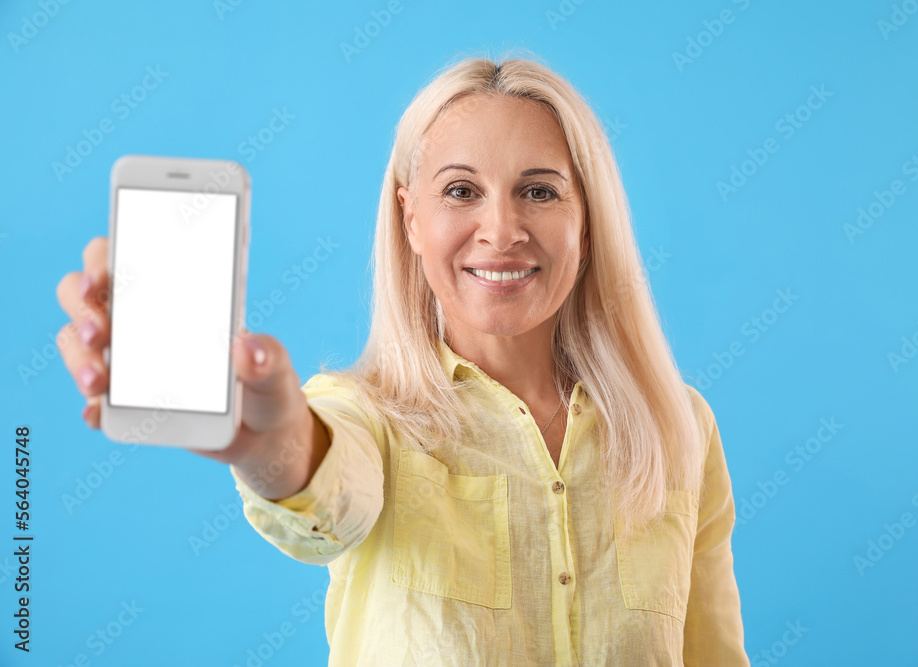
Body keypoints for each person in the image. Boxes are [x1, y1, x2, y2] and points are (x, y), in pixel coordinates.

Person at [56, 53, 750, 666]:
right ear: (410, 216)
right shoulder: (366, 417)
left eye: (539, 190)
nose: (502, 230)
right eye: (460, 191)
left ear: (587, 219)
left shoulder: (680, 425)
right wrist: (267, 441)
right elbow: (327, 486)